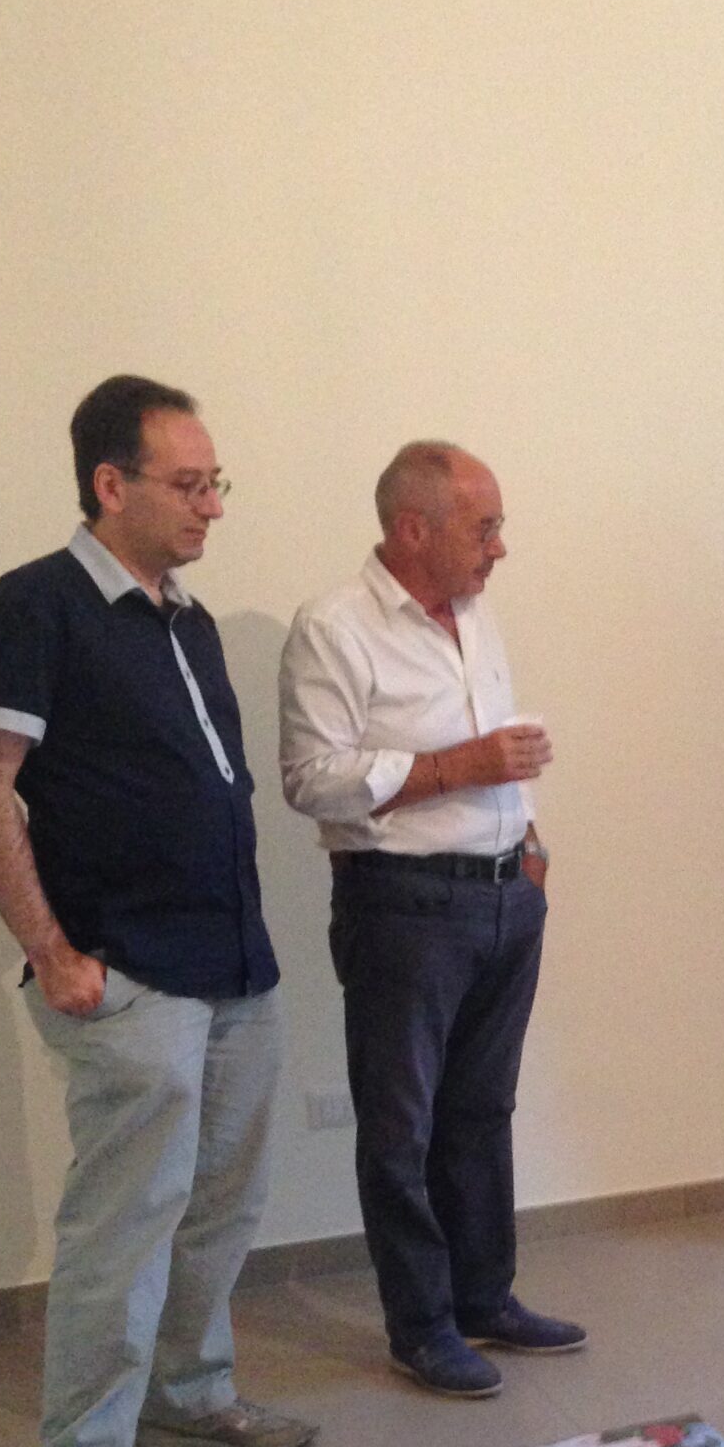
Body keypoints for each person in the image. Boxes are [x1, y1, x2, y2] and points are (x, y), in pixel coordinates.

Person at [0, 376, 316, 1447]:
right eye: (189, 483)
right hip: (130, 974)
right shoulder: (36, 605)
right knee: (121, 1231)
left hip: (236, 968)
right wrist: (54, 953)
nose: (213, 504)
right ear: (110, 485)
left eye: (218, 482)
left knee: (222, 1202)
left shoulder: (185, 621)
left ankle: (189, 1398)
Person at [279, 441, 584, 1397]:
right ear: (414, 529)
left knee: (483, 1111)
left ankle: (485, 1299)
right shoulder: (334, 628)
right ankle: (420, 1326)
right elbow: (311, 781)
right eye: (483, 529)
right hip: (403, 907)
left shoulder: (475, 615)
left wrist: (529, 843)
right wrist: (461, 769)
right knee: (401, 1128)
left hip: (505, 896)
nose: (500, 548)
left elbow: (502, 752)